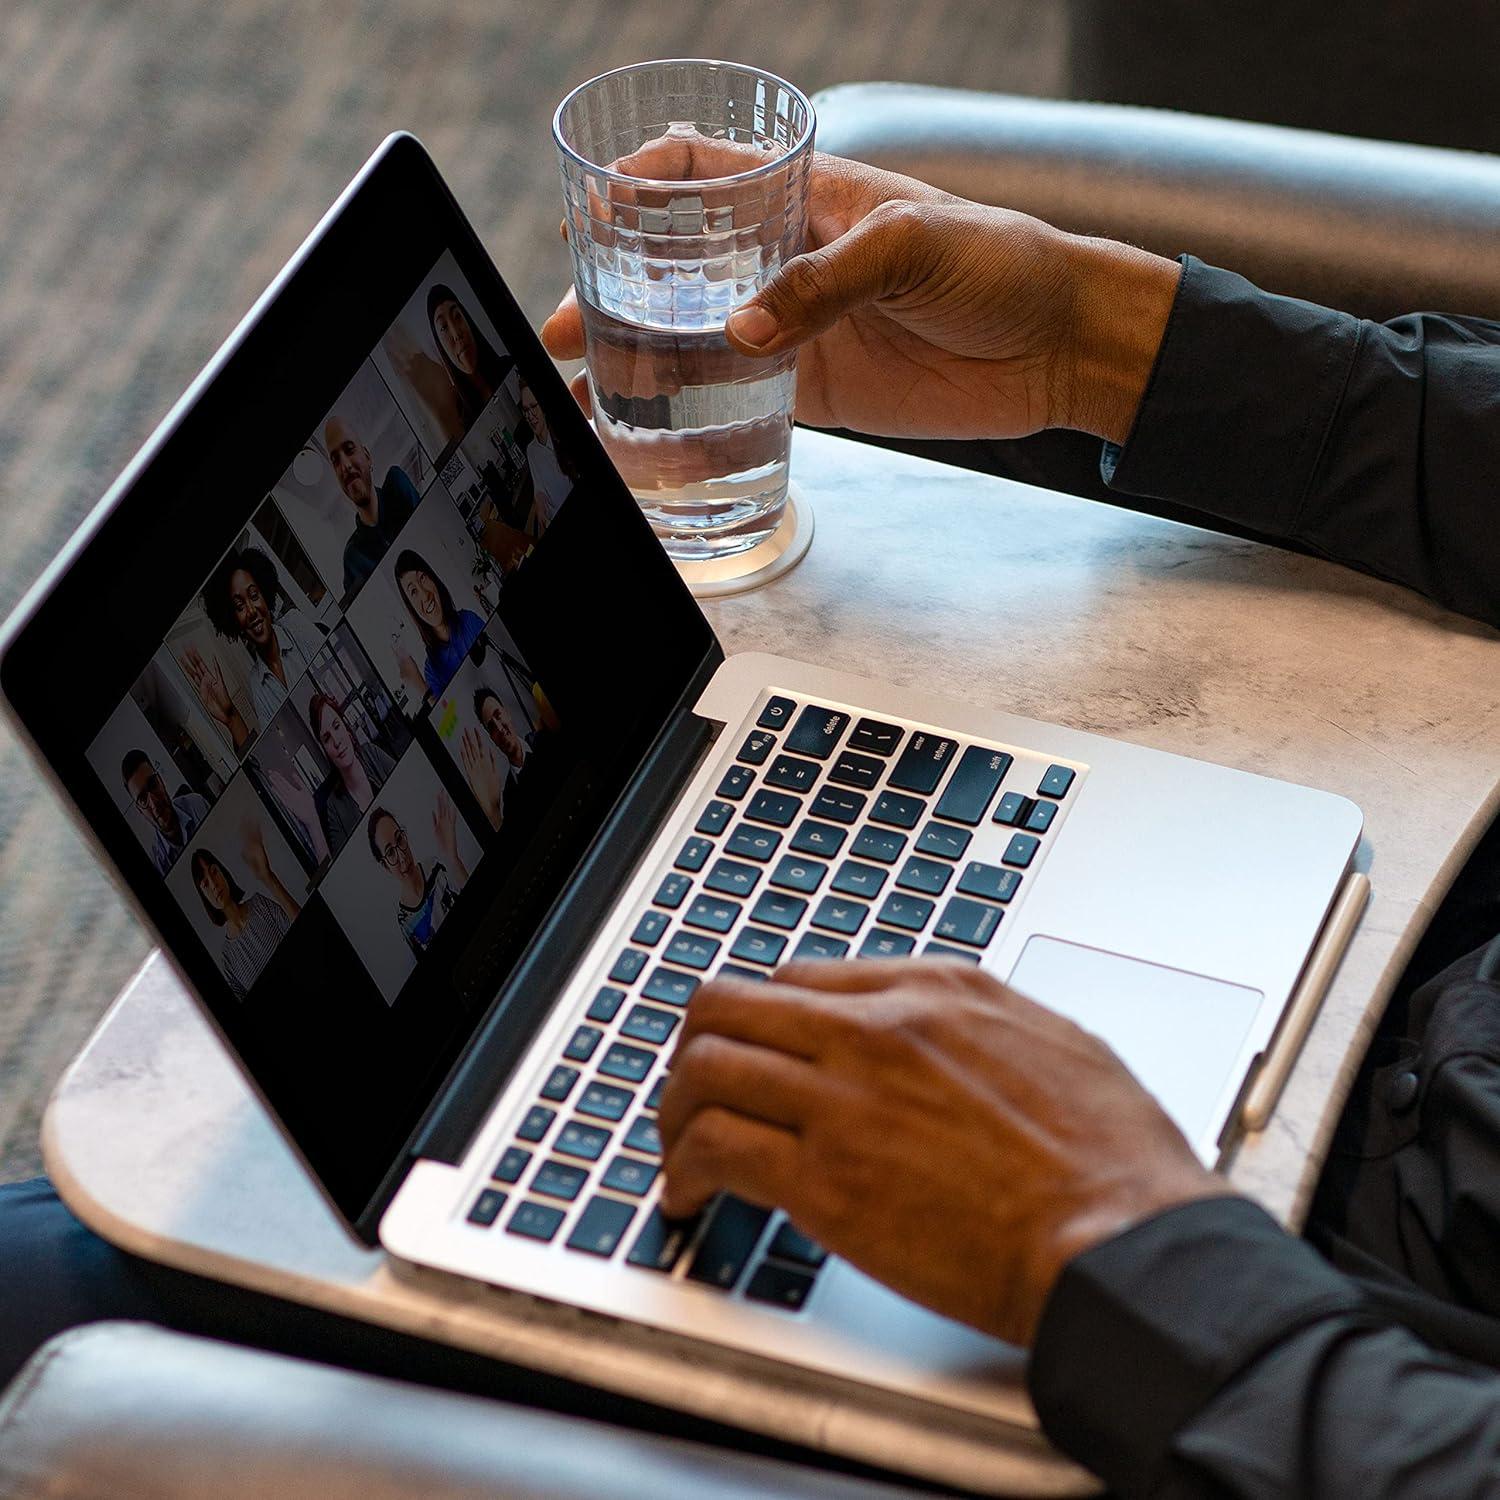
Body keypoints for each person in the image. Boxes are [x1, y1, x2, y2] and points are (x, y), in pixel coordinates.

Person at [6, 144, 1500, 1495]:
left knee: (40, 1311)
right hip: (1431, 1009)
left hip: (1295, 1338)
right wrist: (1098, 336)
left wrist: (1109, 1246)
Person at [184, 545, 324, 749]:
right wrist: (231, 716)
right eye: (239, 607)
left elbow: (333, 679)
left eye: (254, 595)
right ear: (233, 621)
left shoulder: (296, 624)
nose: (250, 611)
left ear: (265, 597)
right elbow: (284, 748)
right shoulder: (257, 684)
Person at [265, 693, 398, 857]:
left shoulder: (372, 754)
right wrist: (313, 823)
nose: (336, 741)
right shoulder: (334, 808)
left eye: (336, 726)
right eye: (327, 738)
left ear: (346, 727)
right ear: (324, 749)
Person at [189, 820, 302, 1001]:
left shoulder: (260, 904)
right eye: (205, 883)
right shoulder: (228, 959)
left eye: (214, 872)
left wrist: (267, 876)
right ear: (204, 895)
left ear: (223, 872)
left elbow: (303, 932)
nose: (213, 883)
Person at [323, 414, 420, 598]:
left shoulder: (396, 484)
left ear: (367, 456)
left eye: (349, 450)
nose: (344, 465)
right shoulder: (353, 559)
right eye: (335, 460)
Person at [367, 794, 470, 957]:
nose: (402, 857)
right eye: (390, 853)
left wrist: (452, 857)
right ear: (385, 866)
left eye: (399, 839)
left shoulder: (437, 868)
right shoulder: (404, 920)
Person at [394, 548, 485, 701]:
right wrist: (420, 686)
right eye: (414, 591)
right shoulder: (432, 671)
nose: (424, 594)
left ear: (433, 578)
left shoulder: (468, 620)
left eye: (422, 577)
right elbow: (452, 722)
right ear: (412, 608)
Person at [427, 284, 510, 431]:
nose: (456, 334)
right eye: (444, 327)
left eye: (457, 317)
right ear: (440, 345)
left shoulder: (509, 366)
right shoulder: (464, 422)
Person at [120, 749, 210, 874]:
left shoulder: (196, 804)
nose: (153, 803)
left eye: (152, 784)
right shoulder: (158, 865)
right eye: (142, 799)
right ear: (140, 811)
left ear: (161, 781)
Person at [458, 685, 534, 829]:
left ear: (507, 713)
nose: (499, 728)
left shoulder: (545, 739)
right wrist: (493, 812)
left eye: (498, 715)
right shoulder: (510, 798)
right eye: (491, 727)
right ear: (491, 738)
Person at [517, 379, 575, 533]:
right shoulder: (531, 451)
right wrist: (541, 508)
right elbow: (539, 489)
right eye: (525, 410)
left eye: (533, 407)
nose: (530, 415)